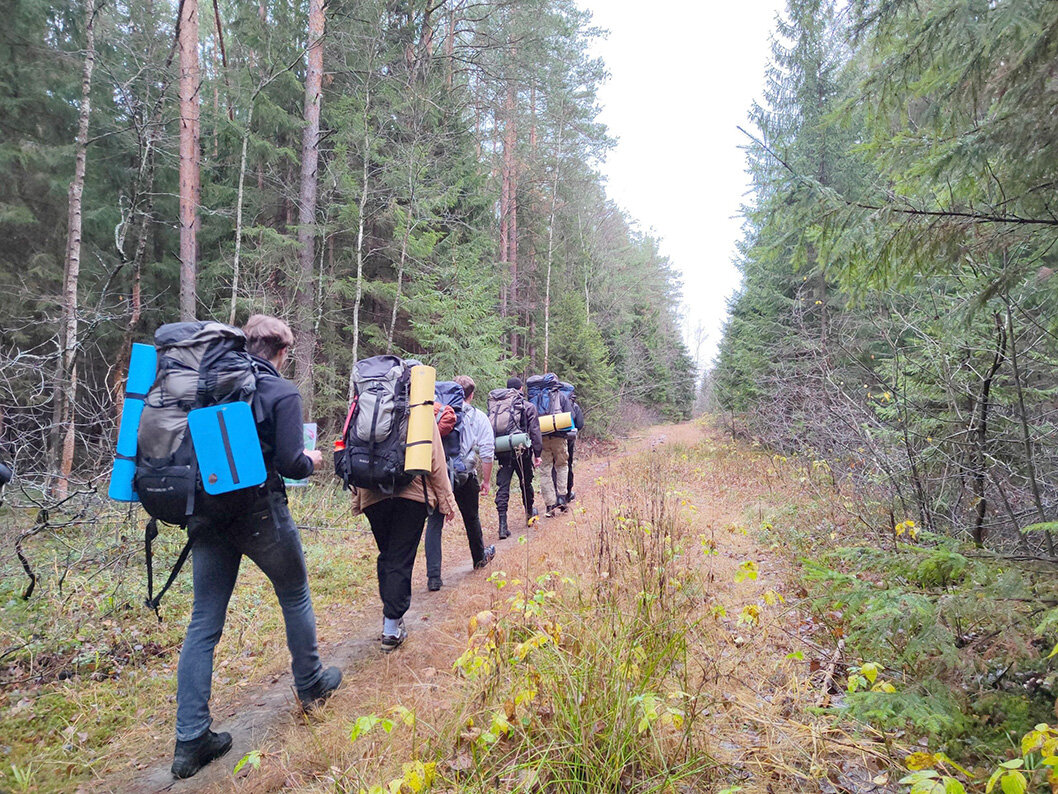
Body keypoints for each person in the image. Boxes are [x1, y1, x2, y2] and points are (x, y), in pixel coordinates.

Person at [171, 315, 341, 780]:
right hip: (261, 513)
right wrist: (312, 459)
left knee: (203, 622)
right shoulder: (280, 392)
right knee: (295, 593)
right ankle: (310, 685)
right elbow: (291, 463)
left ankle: (190, 740)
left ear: (247, 343)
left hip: (205, 514)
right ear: (282, 351)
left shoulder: (200, 386)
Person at [349, 378, 457, 649]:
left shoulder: (365, 406)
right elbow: (436, 460)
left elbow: (352, 450)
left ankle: (392, 620)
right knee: (400, 558)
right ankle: (391, 627)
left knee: (387, 555)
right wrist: (446, 502)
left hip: (373, 493)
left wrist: (357, 498)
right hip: (411, 494)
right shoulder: (421, 410)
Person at [424, 375, 496, 591]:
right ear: (471, 395)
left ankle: (434, 577)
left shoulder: (437, 411)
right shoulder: (478, 416)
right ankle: (479, 558)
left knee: (435, 522)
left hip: (437, 472)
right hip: (464, 473)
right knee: (471, 516)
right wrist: (486, 481)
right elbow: (487, 451)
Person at [492, 377, 542, 539]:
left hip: (503, 452)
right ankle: (529, 515)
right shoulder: (527, 406)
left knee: (503, 487)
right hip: (522, 453)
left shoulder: (498, 407)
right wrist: (538, 454)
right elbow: (535, 432)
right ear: (521, 388)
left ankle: (502, 525)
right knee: (525, 483)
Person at [533, 375, 574, 517]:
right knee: (562, 466)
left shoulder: (537, 397)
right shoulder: (561, 396)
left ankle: (550, 505)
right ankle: (562, 497)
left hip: (542, 438)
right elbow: (571, 416)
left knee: (545, 470)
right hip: (559, 438)